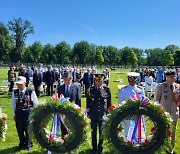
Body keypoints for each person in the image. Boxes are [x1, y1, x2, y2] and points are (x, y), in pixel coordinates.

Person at [154, 70, 180, 154]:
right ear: (167, 77)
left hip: (174, 113)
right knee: (162, 131)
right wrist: (158, 111)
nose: (174, 78)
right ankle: (160, 146)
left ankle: (170, 149)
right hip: (164, 113)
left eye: (174, 76)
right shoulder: (161, 87)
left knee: (173, 132)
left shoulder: (178, 87)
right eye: (171, 76)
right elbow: (156, 101)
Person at [86, 73, 111, 154]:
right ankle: (94, 148)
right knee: (93, 132)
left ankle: (100, 147)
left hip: (102, 114)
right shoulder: (91, 89)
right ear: (94, 81)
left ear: (103, 81)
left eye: (100, 81)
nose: (99, 83)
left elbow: (109, 102)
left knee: (101, 132)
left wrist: (109, 113)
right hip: (93, 114)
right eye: (97, 81)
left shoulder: (106, 89)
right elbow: (88, 102)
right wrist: (88, 113)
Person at [12, 76, 38, 151]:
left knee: (28, 129)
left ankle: (29, 144)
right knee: (20, 129)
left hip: (28, 113)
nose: (19, 86)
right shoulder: (15, 92)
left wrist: (34, 113)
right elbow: (13, 103)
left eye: (20, 84)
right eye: (17, 84)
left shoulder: (30, 91)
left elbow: (36, 103)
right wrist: (14, 114)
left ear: (25, 83)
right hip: (19, 113)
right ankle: (22, 143)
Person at [118, 72, 146, 140]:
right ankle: (129, 145)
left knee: (139, 131)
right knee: (128, 131)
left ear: (136, 80)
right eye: (131, 80)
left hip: (138, 115)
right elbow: (120, 103)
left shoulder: (140, 90)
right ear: (128, 80)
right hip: (127, 115)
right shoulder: (123, 90)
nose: (132, 82)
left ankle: (139, 145)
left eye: (134, 80)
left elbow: (144, 102)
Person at [57, 72, 81, 138]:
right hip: (63, 112)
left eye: (68, 80)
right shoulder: (60, 88)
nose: (66, 81)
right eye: (65, 80)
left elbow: (78, 99)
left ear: (71, 79)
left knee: (73, 127)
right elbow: (58, 100)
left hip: (73, 111)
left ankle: (73, 143)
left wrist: (79, 110)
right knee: (63, 127)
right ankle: (64, 142)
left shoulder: (76, 87)